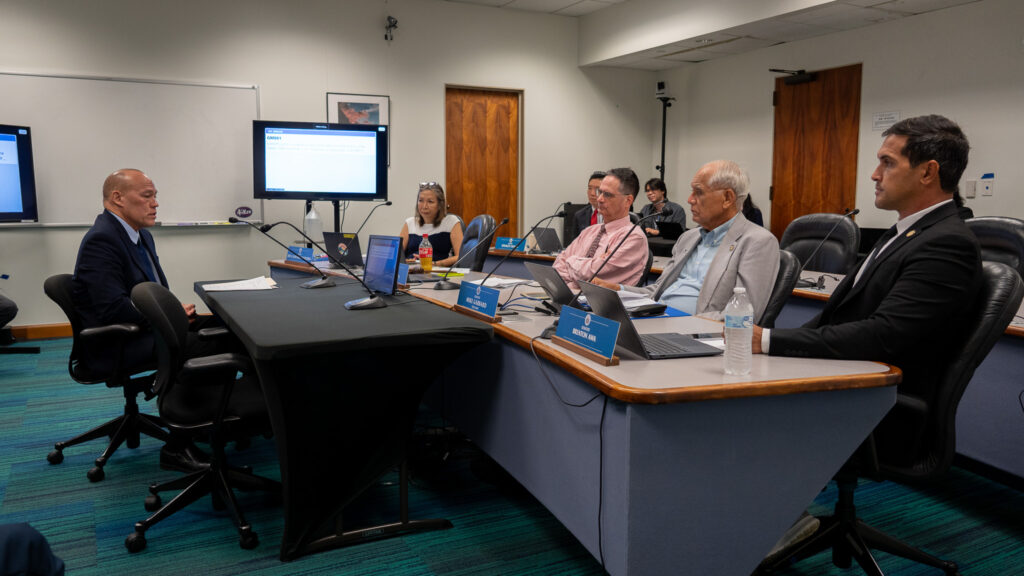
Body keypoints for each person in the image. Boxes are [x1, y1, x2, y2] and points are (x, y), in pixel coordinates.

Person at [754, 114, 981, 459]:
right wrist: (773, 351)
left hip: (876, 400)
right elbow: (837, 318)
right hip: (845, 381)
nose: (875, 175)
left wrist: (769, 340)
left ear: (927, 172)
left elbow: (883, 335)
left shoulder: (947, 242)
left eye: (887, 163)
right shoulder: (906, 231)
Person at [72, 169, 233, 470]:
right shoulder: (102, 239)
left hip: (147, 328)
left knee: (225, 330)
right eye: (147, 196)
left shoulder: (140, 234)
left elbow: (152, 291)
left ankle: (211, 422)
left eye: (155, 195)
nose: (155, 203)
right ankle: (178, 444)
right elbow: (111, 309)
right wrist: (167, 316)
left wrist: (171, 309)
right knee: (211, 346)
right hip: (119, 341)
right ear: (117, 198)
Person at [594, 161, 779, 321]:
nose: (690, 200)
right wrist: (616, 289)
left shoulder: (757, 242)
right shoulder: (688, 238)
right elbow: (656, 292)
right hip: (657, 320)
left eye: (698, 192)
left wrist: (680, 322)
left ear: (727, 198)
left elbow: (742, 316)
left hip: (695, 336)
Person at [553, 168, 648, 290]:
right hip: (570, 301)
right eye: (600, 192)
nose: (599, 199)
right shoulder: (589, 231)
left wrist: (570, 261)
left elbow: (594, 280)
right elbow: (557, 266)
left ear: (628, 200)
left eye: (607, 194)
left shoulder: (633, 237)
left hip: (603, 307)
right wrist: (587, 264)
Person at [400, 182, 464, 267]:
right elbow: (397, 255)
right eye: (420, 201)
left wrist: (434, 264)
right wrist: (406, 261)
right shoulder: (410, 223)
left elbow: (461, 256)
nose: (424, 206)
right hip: (411, 271)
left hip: (436, 273)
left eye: (430, 202)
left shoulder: (451, 222)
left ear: (440, 205)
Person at [572, 171, 607, 237]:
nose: (592, 193)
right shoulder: (579, 216)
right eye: (590, 188)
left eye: (597, 189)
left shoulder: (616, 215)